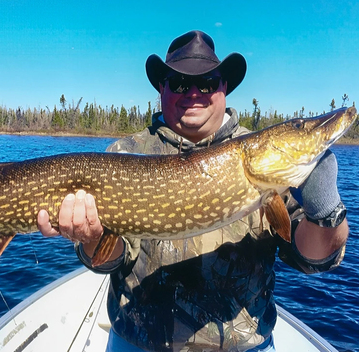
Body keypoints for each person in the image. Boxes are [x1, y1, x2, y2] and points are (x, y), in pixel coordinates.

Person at [37, 30, 349, 352]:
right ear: (162, 88)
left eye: (208, 83)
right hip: (138, 343)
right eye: (180, 84)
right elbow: (111, 260)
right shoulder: (125, 154)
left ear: (224, 87)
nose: (195, 93)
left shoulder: (268, 166)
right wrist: (90, 239)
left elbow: (313, 258)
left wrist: (326, 211)